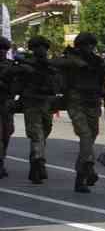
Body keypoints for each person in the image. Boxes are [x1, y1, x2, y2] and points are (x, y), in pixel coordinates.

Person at [54, 33, 105, 193]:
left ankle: (82, 176)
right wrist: (72, 62)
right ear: (79, 46)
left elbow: (104, 73)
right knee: (85, 136)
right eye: (86, 45)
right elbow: (54, 63)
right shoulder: (70, 58)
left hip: (92, 103)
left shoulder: (96, 61)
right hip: (75, 102)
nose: (89, 48)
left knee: (90, 138)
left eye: (91, 45)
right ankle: (88, 169)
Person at [15, 37, 60, 184]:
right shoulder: (26, 64)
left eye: (43, 47)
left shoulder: (50, 66)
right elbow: (17, 83)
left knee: (44, 133)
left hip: (46, 104)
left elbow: (57, 83)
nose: (40, 50)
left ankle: (37, 161)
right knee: (37, 135)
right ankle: (38, 163)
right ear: (32, 49)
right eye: (37, 47)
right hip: (32, 103)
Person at [0, 37, 15, 178]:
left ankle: (2, 160)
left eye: (4, 49)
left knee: (6, 133)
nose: (2, 52)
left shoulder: (11, 66)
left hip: (6, 104)